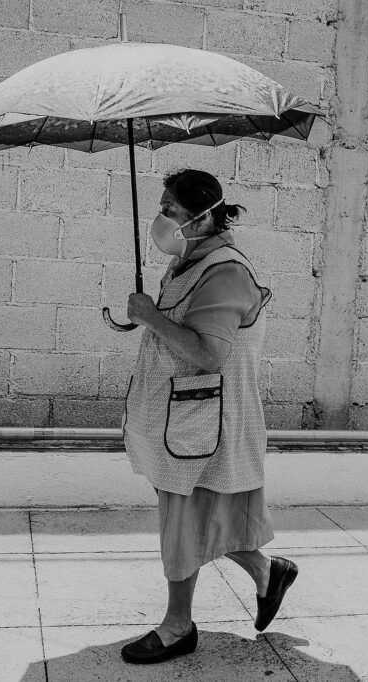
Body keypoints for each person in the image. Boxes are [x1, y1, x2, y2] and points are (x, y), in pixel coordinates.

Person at [119, 168, 298, 665]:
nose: (161, 218)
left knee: (184, 519)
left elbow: (208, 355)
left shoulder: (225, 272)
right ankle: (267, 574)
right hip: (185, 421)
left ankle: (178, 627)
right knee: (198, 515)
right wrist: (150, 315)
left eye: (169, 209)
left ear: (200, 217)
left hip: (206, 423)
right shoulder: (188, 261)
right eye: (160, 207)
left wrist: (151, 318)